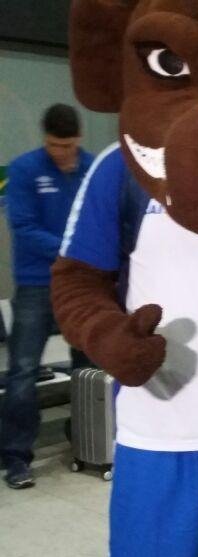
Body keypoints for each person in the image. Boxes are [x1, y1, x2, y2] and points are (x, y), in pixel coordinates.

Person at [0, 104, 94, 490]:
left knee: (88, 367)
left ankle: (89, 440)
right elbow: (23, 226)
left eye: (69, 145)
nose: (62, 153)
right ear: (45, 139)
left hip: (82, 285)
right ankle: (16, 457)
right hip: (37, 284)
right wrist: (71, 250)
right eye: (56, 145)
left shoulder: (90, 167)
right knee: (23, 370)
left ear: (79, 139)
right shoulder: (24, 170)